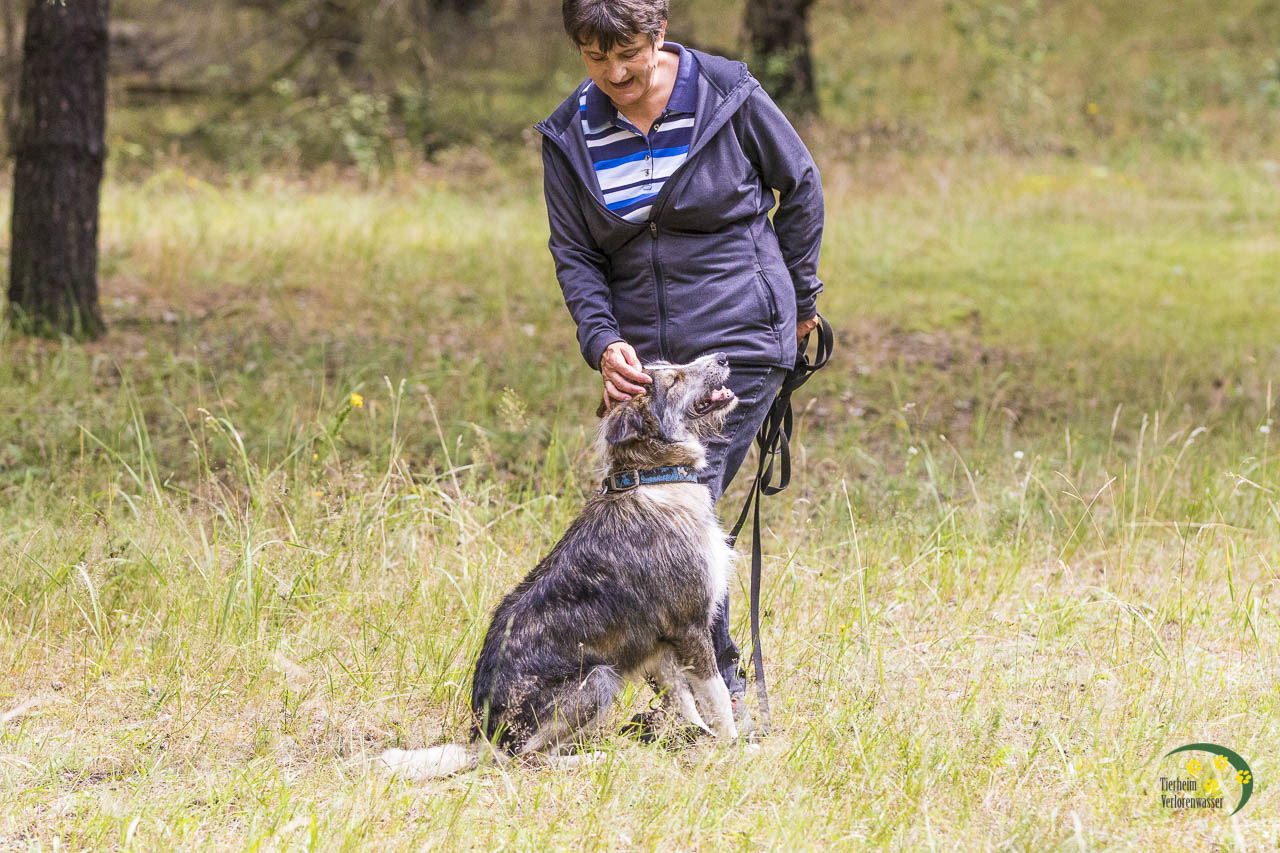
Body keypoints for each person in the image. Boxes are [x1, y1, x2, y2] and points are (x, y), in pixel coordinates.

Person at [535, 0, 824, 734]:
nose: (615, 72)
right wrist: (603, 342)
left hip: (737, 340)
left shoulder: (726, 92)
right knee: (662, 518)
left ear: (658, 33)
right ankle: (690, 698)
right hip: (646, 362)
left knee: (677, 509)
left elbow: (801, 185)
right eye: (595, 57)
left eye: (628, 53)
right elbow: (575, 252)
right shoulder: (571, 131)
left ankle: (722, 700)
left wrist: (800, 296)